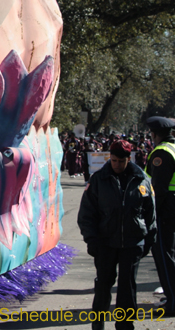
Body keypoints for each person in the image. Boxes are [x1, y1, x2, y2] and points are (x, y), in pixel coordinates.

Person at [78, 140, 156, 330]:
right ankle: (98, 322)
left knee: (127, 288)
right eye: (114, 161)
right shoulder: (98, 180)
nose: (117, 165)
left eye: (121, 161)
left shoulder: (141, 180)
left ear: (129, 159)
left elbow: (150, 214)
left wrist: (147, 241)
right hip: (105, 243)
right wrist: (92, 240)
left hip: (132, 242)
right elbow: (86, 215)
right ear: (109, 158)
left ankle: (125, 324)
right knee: (103, 285)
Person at [144, 116, 175, 314]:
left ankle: (172, 302)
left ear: (155, 134)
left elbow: (159, 188)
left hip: (165, 208)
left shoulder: (162, 152)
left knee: (164, 256)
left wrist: (150, 214)